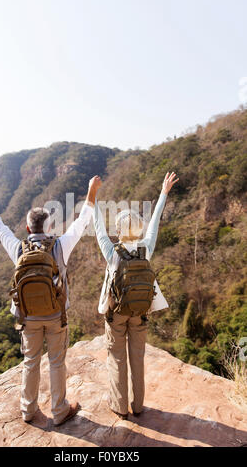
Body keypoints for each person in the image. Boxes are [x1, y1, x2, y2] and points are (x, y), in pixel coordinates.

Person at [0, 175, 102, 425]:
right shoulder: (61, 245)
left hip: (28, 317)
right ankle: (59, 409)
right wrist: (91, 191)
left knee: (30, 361)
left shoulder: (18, 249)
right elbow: (83, 219)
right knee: (56, 362)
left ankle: (28, 410)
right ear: (49, 227)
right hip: (56, 317)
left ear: (28, 228)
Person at [93, 172, 179, 420]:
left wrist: (93, 198)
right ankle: (138, 406)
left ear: (119, 230)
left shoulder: (113, 252)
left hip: (116, 314)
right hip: (140, 312)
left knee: (117, 358)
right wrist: (164, 193)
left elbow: (98, 227)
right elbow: (155, 222)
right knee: (137, 359)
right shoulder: (146, 248)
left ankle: (120, 408)